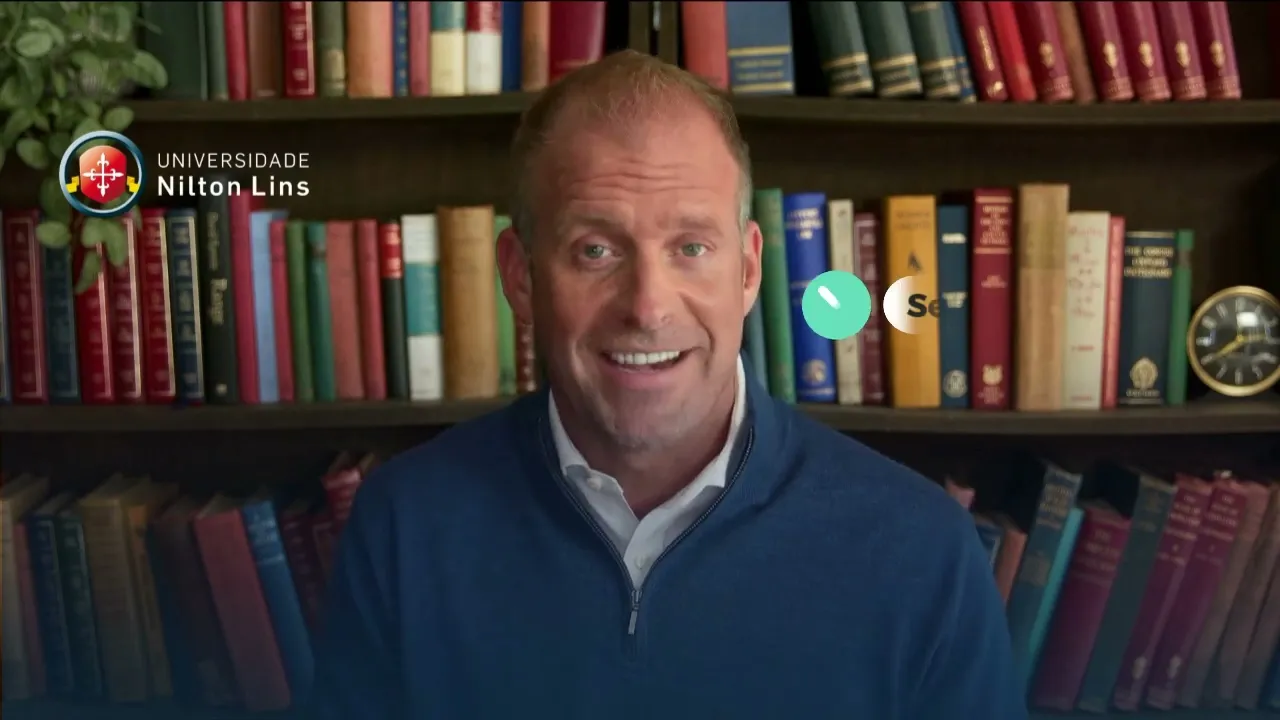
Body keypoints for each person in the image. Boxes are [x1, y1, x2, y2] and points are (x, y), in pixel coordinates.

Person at [312, 50, 1026, 720]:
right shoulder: (404, 527)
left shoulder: (923, 550)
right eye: (596, 250)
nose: (648, 307)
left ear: (748, 271)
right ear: (520, 277)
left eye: (691, 247)